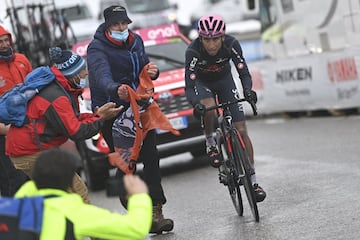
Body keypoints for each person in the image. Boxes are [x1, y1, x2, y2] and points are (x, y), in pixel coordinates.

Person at [87, 5, 174, 234]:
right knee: (128, 163)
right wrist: (115, 89)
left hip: (140, 107)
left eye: (124, 23)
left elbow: (143, 65)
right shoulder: (97, 48)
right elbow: (101, 75)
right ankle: (134, 204)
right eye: (116, 25)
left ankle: (156, 211)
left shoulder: (136, 41)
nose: (122, 28)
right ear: (108, 27)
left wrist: (151, 70)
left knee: (152, 157)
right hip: (113, 111)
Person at [6, 46, 123, 203]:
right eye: (82, 71)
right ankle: (84, 226)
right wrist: (101, 119)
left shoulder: (60, 88)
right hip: (30, 152)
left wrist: (96, 116)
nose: (86, 73)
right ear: (72, 74)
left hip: (29, 150)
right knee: (75, 193)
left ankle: (77, 226)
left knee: (71, 193)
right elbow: (75, 132)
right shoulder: (57, 96)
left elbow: (70, 119)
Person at [184, 15, 266, 202]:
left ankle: (253, 182)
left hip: (225, 81)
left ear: (222, 37)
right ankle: (211, 142)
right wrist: (195, 103)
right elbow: (189, 86)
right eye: (207, 40)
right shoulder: (193, 52)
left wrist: (247, 90)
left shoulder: (231, 44)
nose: (211, 45)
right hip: (203, 84)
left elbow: (243, 72)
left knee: (242, 130)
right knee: (210, 108)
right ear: (200, 38)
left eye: (215, 39)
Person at [15, 148, 152, 240]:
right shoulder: (73, 212)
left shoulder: (11, 207)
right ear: (70, 181)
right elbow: (136, 228)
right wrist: (139, 195)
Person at [0, 25, 32, 196]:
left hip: (28, 128)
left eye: (7, 40)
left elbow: (35, 88)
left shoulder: (21, 60)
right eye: (0, 42)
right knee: (12, 179)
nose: (5, 45)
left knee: (31, 176)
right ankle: (10, 220)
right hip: (4, 133)